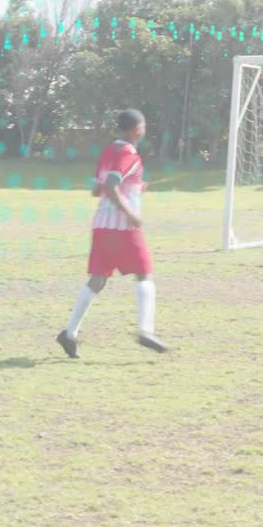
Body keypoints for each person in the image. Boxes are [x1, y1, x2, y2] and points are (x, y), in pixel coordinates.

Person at [56, 109, 168, 358]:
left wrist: (136, 187)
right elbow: (110, 186)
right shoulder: (130, 154)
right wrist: (130, 213)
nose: (144, 130)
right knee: (144, 274)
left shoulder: (108, 151)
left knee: (97, 280)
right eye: (143, 126)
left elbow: (97, 190)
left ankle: (69, 334)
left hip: (102, 225)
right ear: (134, 129)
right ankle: (146, 331)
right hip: (122, 227)